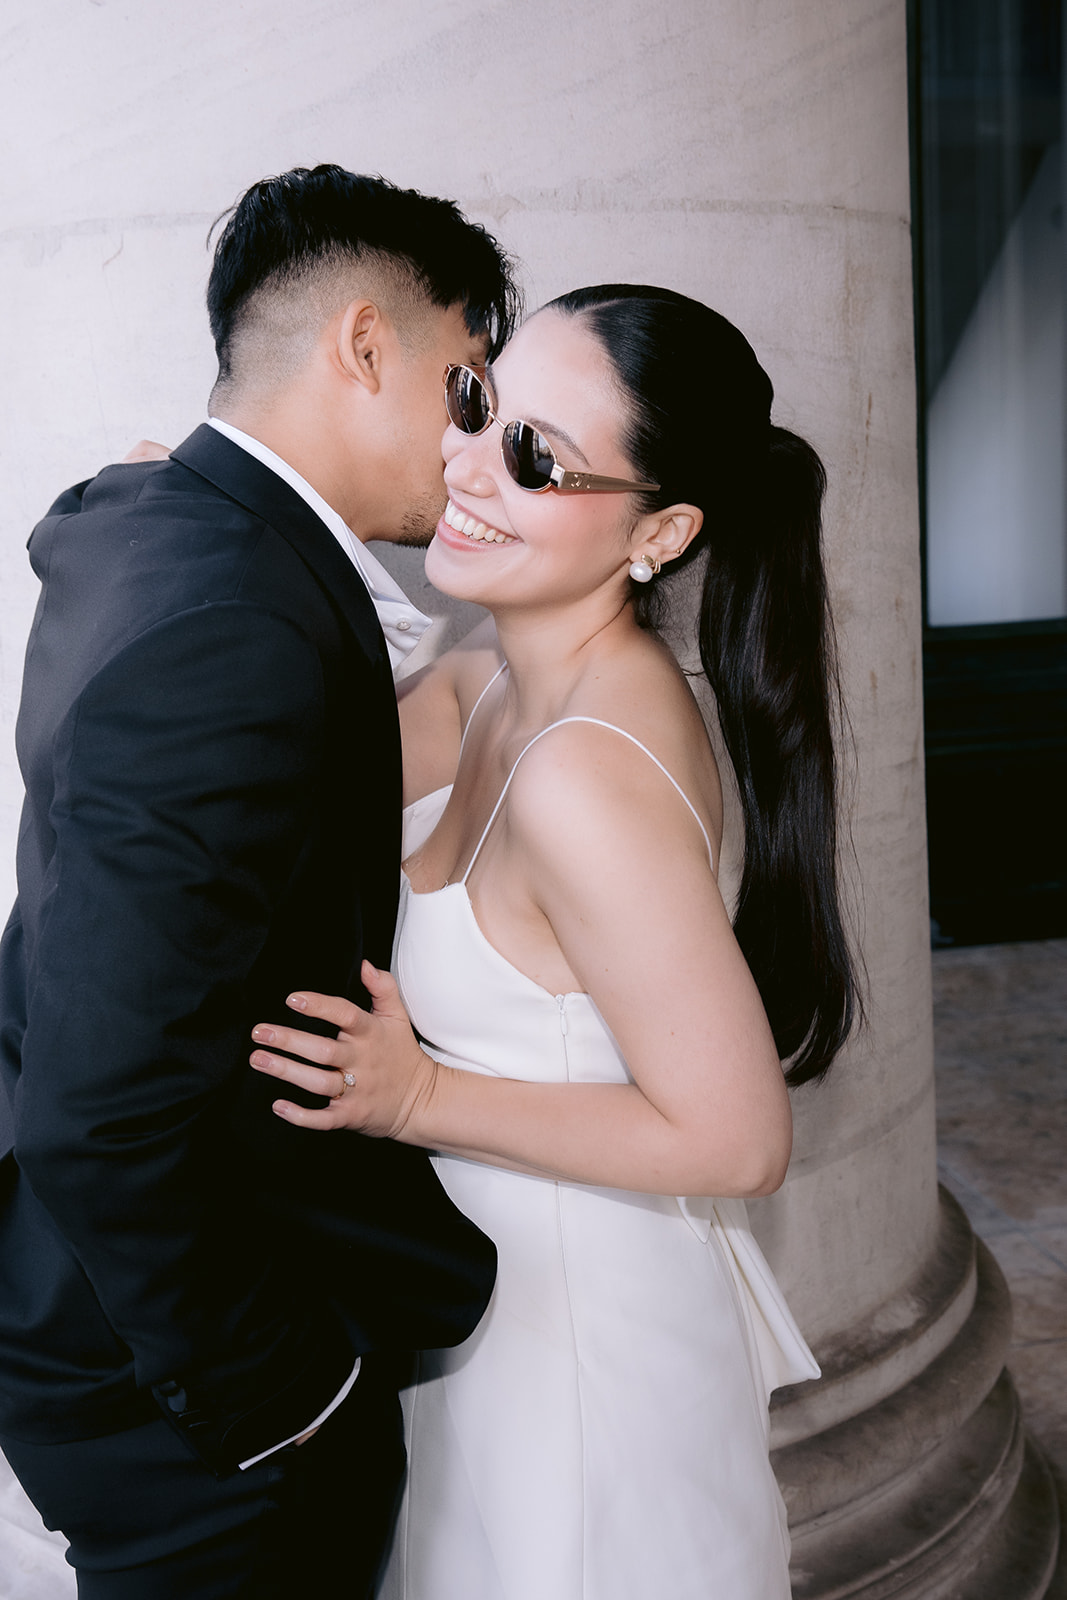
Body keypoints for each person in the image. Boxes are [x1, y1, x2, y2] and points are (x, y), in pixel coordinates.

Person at [248, 284, 861, 1599]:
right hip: (485, 1316)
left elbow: (739, 1138)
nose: (466, 461)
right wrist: (206, 519)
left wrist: (415, 1093)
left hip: (579, 1358)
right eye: (480, 406)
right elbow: (275, 747)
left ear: (663, 532)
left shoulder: (585, 771)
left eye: (535, 456)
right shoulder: (488, 679)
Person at [0, 164, 519, 1599]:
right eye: (465, 385)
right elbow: (99, 1110)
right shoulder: (230, 616)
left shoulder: (145, 521)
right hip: (191, 1400)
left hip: (122, 1324)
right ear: (366, 344)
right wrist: (276, 1396)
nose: (473, 445)